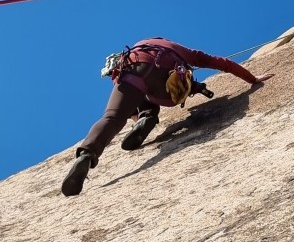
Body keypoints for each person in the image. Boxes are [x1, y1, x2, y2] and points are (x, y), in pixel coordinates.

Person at [62, 38, 266, 197]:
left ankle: (87, 154)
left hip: (133, 71)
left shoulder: (136, 49)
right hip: (167, 86)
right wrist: (252, 79)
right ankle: (147, 116)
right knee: (150, 88)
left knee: (113, 116)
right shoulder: (180, 50)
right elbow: (222, 63)